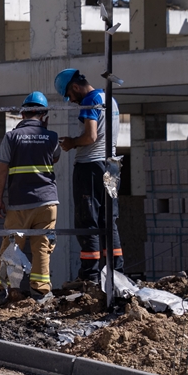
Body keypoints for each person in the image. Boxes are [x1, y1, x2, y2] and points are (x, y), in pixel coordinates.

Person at [0, 92, 61, 302]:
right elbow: (54, 159)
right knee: (42, 247)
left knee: (11, 246)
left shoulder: (11, 137)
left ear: (22, 114)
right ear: (44, 115)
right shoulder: (53, 137)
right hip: (47, 202)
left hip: (20, 203)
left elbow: (2, 171)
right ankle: (41, 291)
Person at [54, 68, 123, 283]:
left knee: (88, 221)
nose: (72, 101)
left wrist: (71, 142)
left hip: (91, 167)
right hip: (111, 167)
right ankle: (116, 273)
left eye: (70, 96)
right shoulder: (108, 98)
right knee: (108, 220)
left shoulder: (90, 101)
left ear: (75, 87)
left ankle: (90, 275)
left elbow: (91, 136)